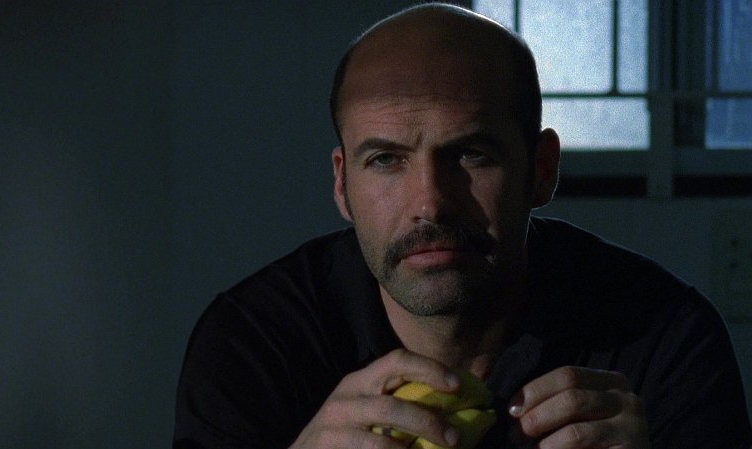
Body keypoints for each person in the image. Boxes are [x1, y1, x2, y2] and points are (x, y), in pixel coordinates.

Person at [174, 4, 751, 448]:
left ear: (541, 171)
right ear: (342, 184)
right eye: (386, 160)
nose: (431, 204)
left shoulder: (663, 336)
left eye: (472, 154)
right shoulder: (255, 343)